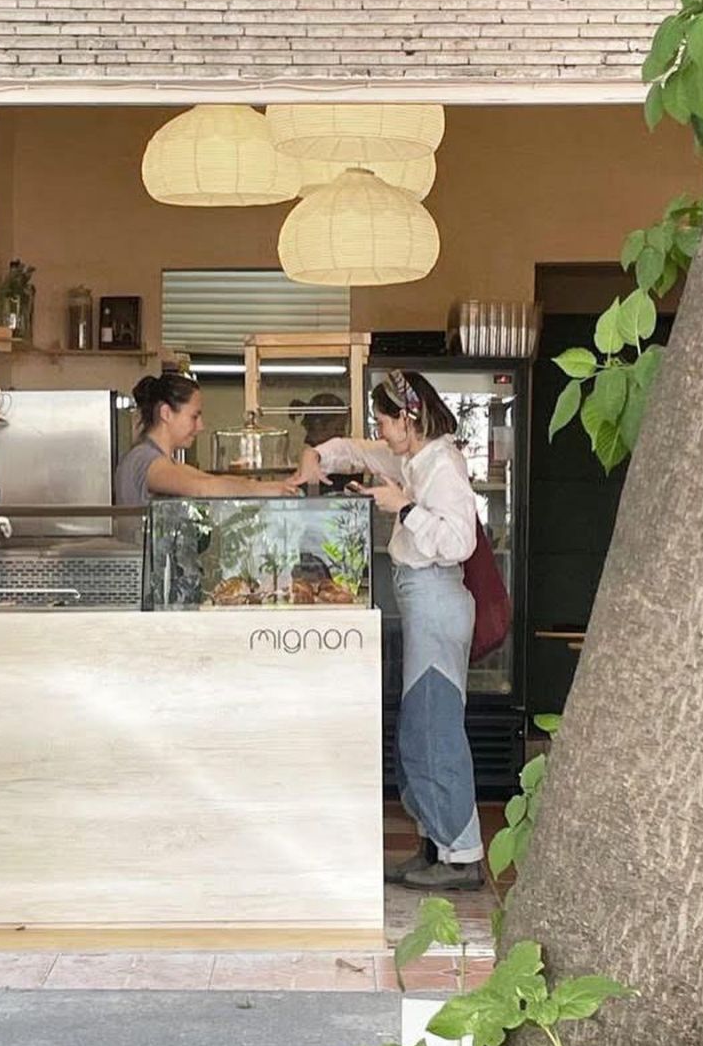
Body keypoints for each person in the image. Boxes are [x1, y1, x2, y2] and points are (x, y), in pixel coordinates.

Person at [291, 369, 484, 890]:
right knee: (417, 728)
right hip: (419, 597)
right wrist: (317, 457)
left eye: (383, 418)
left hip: (438, 597)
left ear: (408, 417)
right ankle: (434, 844)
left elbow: (459, 541)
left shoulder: (441, 464)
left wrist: (405, 508)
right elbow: (356, 450)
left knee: (435, 726)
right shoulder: (409, 456)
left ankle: (461, 856)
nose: (379, 428)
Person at [115, 373, 300, 504]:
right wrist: (264, 491)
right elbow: (202, 487)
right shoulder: (144, 459)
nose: (201, 426)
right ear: (166, 413)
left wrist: (275, 486)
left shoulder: (161, 460)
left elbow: (206, 479)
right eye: (194, 417)